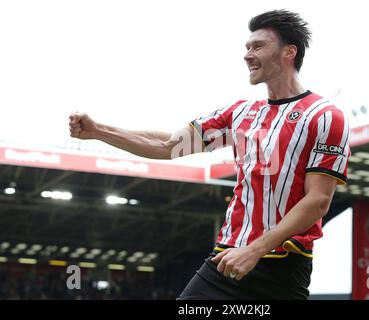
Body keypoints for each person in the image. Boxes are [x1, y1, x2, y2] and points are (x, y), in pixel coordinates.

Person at [69, 9, 351, 300]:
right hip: (226, 258)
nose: (247, 54)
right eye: (246, 47)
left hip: (282, 268)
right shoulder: (241, 113)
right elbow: (168, 145)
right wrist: (98, 131)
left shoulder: (325, 117)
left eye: (258, 46)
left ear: (289, 52)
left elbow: (318, 201)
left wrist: (254, 251)